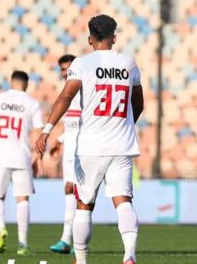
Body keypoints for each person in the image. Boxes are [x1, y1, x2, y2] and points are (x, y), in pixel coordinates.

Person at [36, 14, 144, 264]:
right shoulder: (129, 64)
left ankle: (82, 260)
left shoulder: (82, 64)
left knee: (84, 204)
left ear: (89, 39)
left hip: (90, 146)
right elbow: (138, 103)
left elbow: (65, 98)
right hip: (122, 144)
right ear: (114, 37)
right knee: (123, 201)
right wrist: (125, 124)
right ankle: (129, 255)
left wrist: (47, 129)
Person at [0, 70, 44, 255]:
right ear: (26, 84)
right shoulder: (32, 103)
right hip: (21, 157)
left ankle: (1, 228)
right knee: (22, 200)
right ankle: (23, 245)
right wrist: (38, 157)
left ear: (11, 82)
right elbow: (41, 133)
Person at [48, 54, 81, 254]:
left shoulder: (84, 90)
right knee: (70, 193)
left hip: (82, 150)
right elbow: (71, 125)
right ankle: (68, 240)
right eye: (62, 69)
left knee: (76, 193)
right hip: (69, 149)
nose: (65, 72)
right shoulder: (66, 93)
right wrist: (59, 141)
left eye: (68, 68)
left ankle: (72, 241)